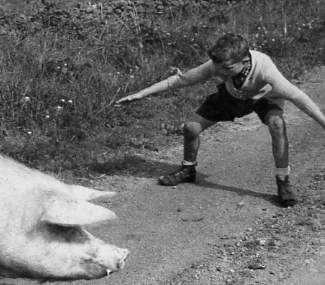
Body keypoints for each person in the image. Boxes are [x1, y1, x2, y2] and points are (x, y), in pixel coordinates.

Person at [116, 33, 325, 207]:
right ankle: (188, 170)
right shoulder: (218, 65)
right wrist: (141, 94)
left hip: (264, 98)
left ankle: (283, 181)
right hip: (232, 97)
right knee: (190, 127)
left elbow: (301, 99)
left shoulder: (266, 70)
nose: (219, 72)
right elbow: (181, 80)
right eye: (218, 67)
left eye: (226, 68)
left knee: (277, 125)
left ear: (243, 62)